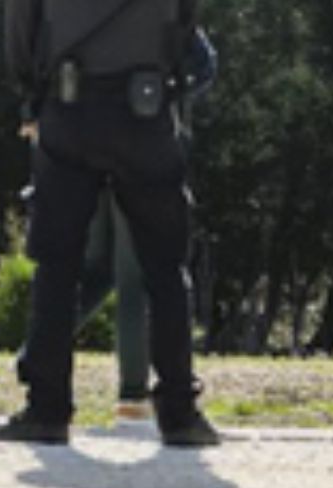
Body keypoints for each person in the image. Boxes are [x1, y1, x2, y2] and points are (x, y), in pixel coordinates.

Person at [0, 0, 218, 447]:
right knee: (164, 268)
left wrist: (33, 101)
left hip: (69, 113)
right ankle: (180, 414)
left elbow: (19, 30)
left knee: (58, 267)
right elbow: (187, 27)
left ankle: (46, 411)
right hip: (146, 117)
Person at [16, 27, 217, 423]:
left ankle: (37, 353)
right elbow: (203, 66)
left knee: (97, 268)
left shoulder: (79, 15)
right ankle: (133, 389)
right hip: (142, 140)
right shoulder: (157, 15)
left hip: (75, 139)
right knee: (133, 275)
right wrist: (169, 95)